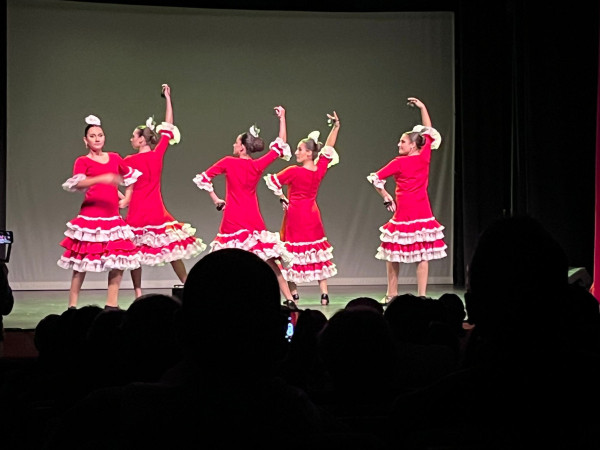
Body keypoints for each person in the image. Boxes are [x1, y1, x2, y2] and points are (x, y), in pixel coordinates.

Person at [193, 106, 296, 306]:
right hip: (252, 217)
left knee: (224, 262)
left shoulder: (228, 162)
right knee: (269, 262)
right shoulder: (256, 165)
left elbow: (204, 178)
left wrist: (215, 198)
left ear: (242, 147)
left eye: (236, 142)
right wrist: (282, 118)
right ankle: (289, 299)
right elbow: (280, 145)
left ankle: (217, 301)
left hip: (232, 218)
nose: (234, 144)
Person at [120, 84, 206, 297]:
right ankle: (189, 286)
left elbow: (118, 182)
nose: (131, 139)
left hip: (139, 212)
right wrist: (168, 98)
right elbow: (168, 124)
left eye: (134, 136)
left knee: (135, 255)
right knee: (172, 252)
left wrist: (119, 196)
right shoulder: (157, 155)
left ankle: (138, 293)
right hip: (157, 211)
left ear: (141, 139)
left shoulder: (129, 160)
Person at [367, 97, 446, 303]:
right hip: (410, 211)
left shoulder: (405, 161)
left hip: (415, 211)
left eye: (402, 141)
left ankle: (403, 294)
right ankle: (410, 295)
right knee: (406, 253)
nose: (398, 144)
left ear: (412, 145)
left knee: (408, 253)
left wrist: (385, 196)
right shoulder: (421, 157)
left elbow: (376, 179)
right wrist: (423, 107)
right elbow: (428, 130)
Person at [58, 115, 141, 310]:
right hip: (90, 217)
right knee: (81, 262)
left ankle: (111, 304)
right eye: (93, 136)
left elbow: (129, 177)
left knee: (118, 260)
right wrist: (101, 178)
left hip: (112, 217)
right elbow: (77, 184)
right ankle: (72, 306)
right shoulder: (82, 161)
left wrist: (126, 198)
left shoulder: (114, 157)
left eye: (100, 135)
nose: (97, 138)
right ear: (85, 140)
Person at [264, 111, 340, 306]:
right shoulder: (320, 168)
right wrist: (336, 127)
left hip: (296, 214)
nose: (296, 152)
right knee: (316, 250)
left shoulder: (293, 171)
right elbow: (329, 147)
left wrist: (282, 197)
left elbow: (272, 181)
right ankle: (323, 293)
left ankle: (294, 292)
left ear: (309, 153)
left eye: (299, 149)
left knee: (290, 252)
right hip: (313, 214)